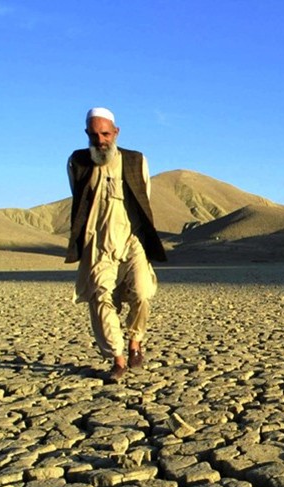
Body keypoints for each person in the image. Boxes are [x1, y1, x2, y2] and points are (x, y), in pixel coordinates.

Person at [65, 107, 167, 382]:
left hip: (132, 239)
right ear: (87, 134)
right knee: (100, 298)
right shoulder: (78, 162)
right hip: (98, 243)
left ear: (116, 132)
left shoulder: (135, 161)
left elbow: (144, 196)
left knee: (143, 293)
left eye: (106, 134)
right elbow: (79, 199)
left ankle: (136, 341)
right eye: (95, 135)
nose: (101, 140)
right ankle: (118, 359)